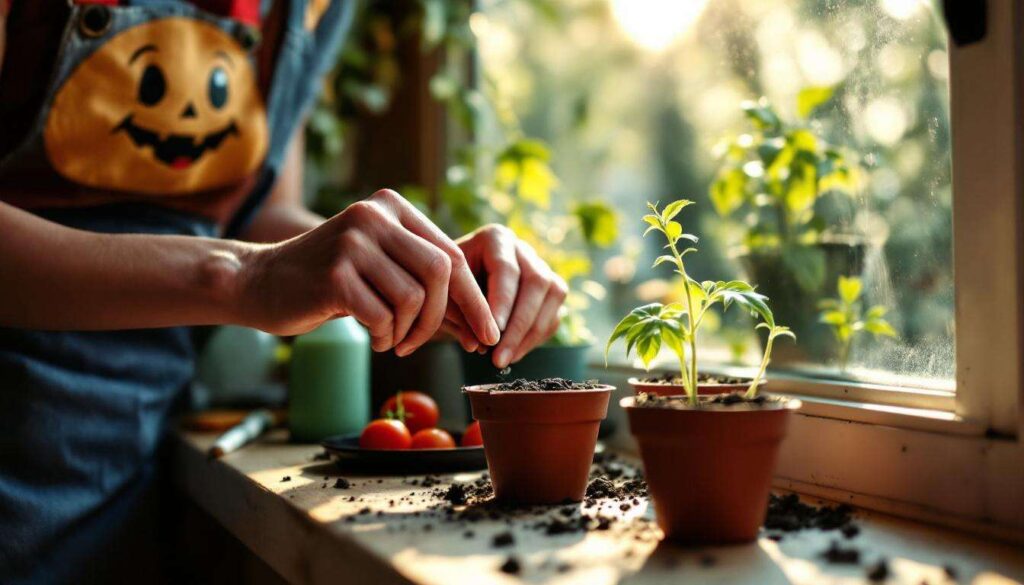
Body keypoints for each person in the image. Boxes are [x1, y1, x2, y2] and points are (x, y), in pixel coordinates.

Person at [0, 0, 567, 581]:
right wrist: (242, 277)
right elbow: (249, 260)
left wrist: (424, 265)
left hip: (140, 441)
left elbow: (261, 216)